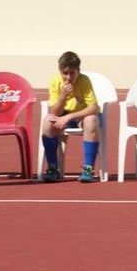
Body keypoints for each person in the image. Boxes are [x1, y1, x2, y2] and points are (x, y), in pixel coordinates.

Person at [39, 51, 100, 183]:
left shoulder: (84, 81)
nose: (68, 77)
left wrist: (70, 117)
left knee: (92, 120)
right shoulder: (55, 81)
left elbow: (93, 108)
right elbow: (54, 111)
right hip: (63, 115)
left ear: (78, 71)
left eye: (72, 73)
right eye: (65, 73)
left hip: (81, 115)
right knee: (47, 122)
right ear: (60, 72)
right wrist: (62, 97)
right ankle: (52, 167)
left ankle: (88, 168)